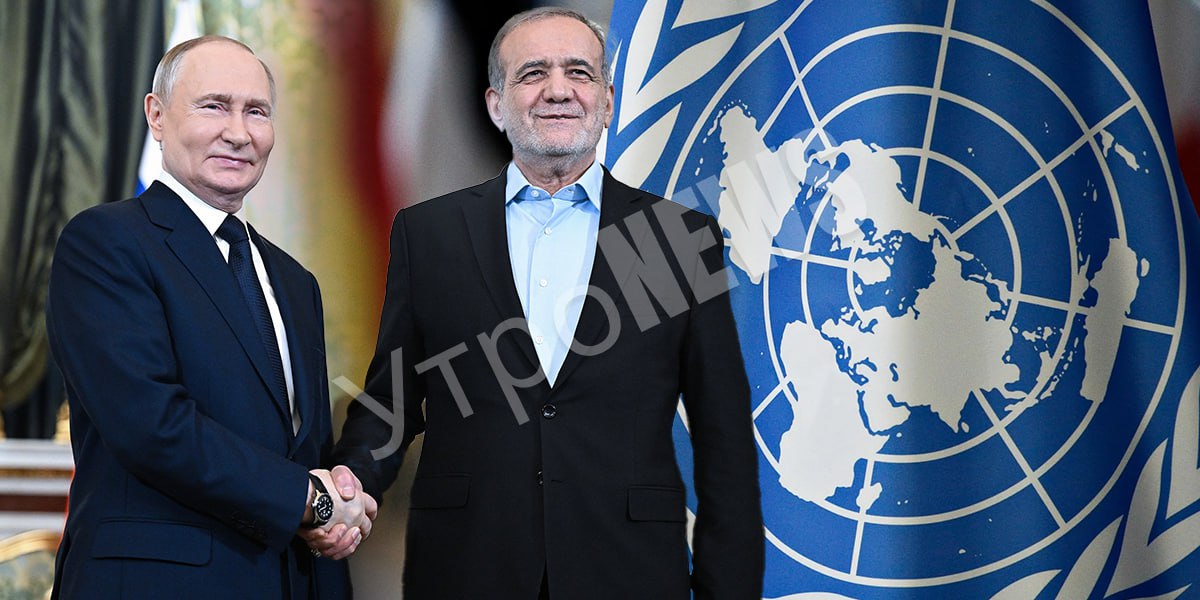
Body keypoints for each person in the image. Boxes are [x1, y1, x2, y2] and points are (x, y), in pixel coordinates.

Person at [330, 7, 763, 599]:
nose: (558, 90)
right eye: (533, 73)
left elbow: (724, 440)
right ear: (495, 105)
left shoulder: (679, 240)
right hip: (466, 570)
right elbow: (392, 401)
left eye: (578, 72)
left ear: (607, 102)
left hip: (629, 572)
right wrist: (349, 482)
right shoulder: (426, 233)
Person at [46, 35, 375, 599]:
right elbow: (152, 426)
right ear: (156, 115)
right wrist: (308, 499)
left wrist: (340, 501)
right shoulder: (105, 242)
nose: (239, 132)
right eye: (214, 106)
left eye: (257, 112)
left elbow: (305, 448)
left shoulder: (295, 282)